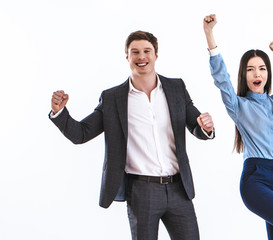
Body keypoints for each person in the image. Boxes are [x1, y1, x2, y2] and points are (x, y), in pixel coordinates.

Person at [49, 30, 215, 240]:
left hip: (179, 189)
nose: (141, 57)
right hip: (141, 192)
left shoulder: (176, 88)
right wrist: (59, 112)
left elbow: (195, 125)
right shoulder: (113, 98)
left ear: (156, 55)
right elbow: (81, 134)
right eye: (135, 52)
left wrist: (206, 128)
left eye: (147, 51)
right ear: (127, 57)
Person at [202, 14, 273, 240]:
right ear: (244, 75)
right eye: (251, 69)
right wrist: (209, 34)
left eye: (262, 68)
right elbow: (221, 78)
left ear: (267, 74)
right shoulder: (238, 106)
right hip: (256, 179)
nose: (257, 73)